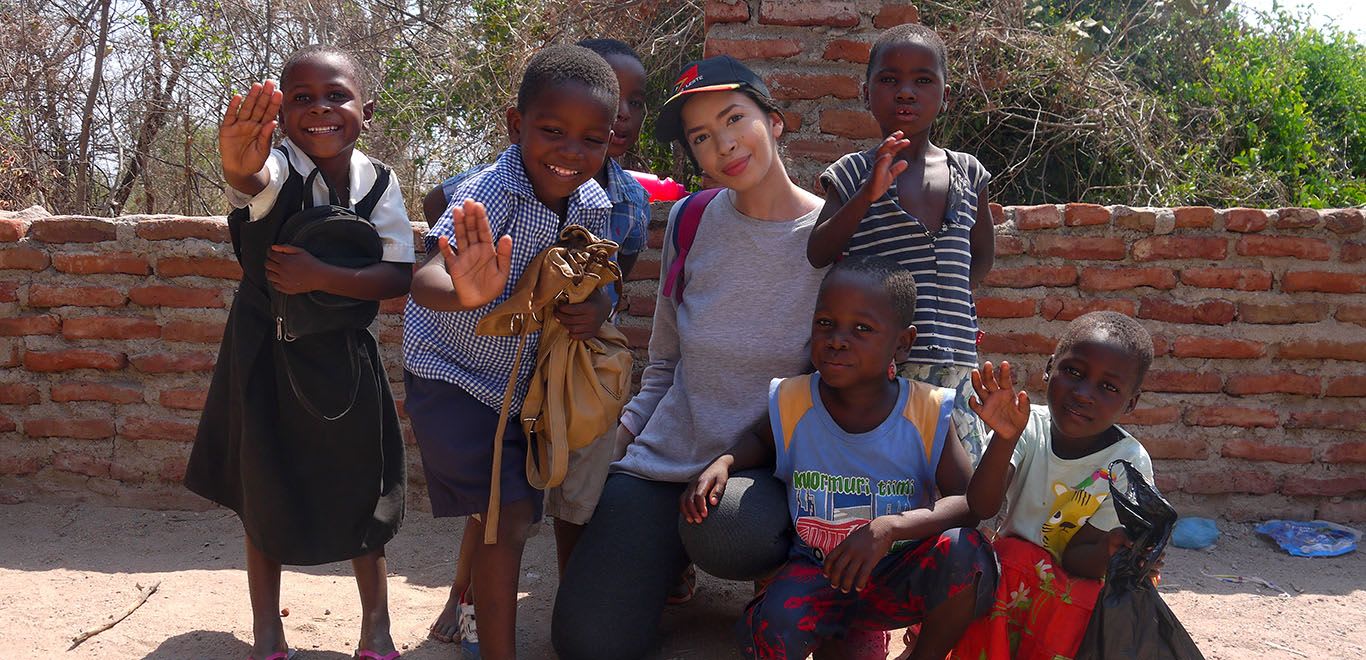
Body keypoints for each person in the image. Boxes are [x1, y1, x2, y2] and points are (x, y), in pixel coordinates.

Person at [551, 55, 831, 660]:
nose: (724, 144)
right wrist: (614, 443)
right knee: (586, 644)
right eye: (702, 137)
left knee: (728, 529)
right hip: (667, 462)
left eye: (735, 119)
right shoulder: (691, 218)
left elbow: (837, 384)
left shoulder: (831, 236)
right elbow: (664, 366)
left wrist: (741, 462)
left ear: (774, 122)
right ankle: (667, 559)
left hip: (766, 476)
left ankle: (772, 572)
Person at [421, 39, 652, 651]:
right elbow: (424, 281)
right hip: (457, 377)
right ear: (516, 125)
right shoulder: (490, 195)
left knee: (508, 514)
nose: (572, 154)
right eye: (553, 132)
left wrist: (596, 305)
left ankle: (474, 619)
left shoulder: (597, 201)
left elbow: (598, 275)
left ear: (613, 140)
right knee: (510, 519)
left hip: (527, 384)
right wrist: (466, 290)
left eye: (592, 140)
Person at [183, 45, 413, 660]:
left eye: (336, 95)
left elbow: (397, 276)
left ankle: (377, 628)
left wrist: (321, 276)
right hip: (267, 356)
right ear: (281, 116)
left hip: (344, 357)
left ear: (366, 108)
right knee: (266, 484)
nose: (320, 110)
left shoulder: (380, 182)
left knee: (365, 484)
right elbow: (250, 183)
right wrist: (237, 164)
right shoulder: (275, 166)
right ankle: (268, 631)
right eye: (301, 99)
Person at [681, 256, 995, 659]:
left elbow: (967, 504)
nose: (838, 339)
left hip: (896, 574)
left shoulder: (927, 410)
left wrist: (890, 528)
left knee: (966, 553)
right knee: (766, 630)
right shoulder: (794, 399)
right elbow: (760, 440)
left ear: (902, 343)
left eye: (862, 328)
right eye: (825, 323)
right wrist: (724, 461)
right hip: (818, 574)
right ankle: (841, 633)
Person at [806, 23, 996, 467]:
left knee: (959, 488)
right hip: (882, 373)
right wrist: (867, 196)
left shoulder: (968, 173)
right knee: (892, 478)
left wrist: (947, 300)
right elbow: (817, 251)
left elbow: (979, 260)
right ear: (866, 92)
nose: (905, 92)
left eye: (923, 80)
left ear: (944, 96)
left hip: (956, 367)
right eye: (889, 79)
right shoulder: (853, 172)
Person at [951, 311, 1158, 660]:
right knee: (984, 553)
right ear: (1049, 368)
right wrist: (1004, 439)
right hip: (1014, 578)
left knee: (1079, 592)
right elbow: (981, 507)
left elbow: (1080, 560)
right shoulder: (1026, 424)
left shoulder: (1128, 463)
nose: (1083, 393)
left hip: (1082, 589)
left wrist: (1111, 548)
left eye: (1108, 387)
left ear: (1131, 402)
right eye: (1073, 372)